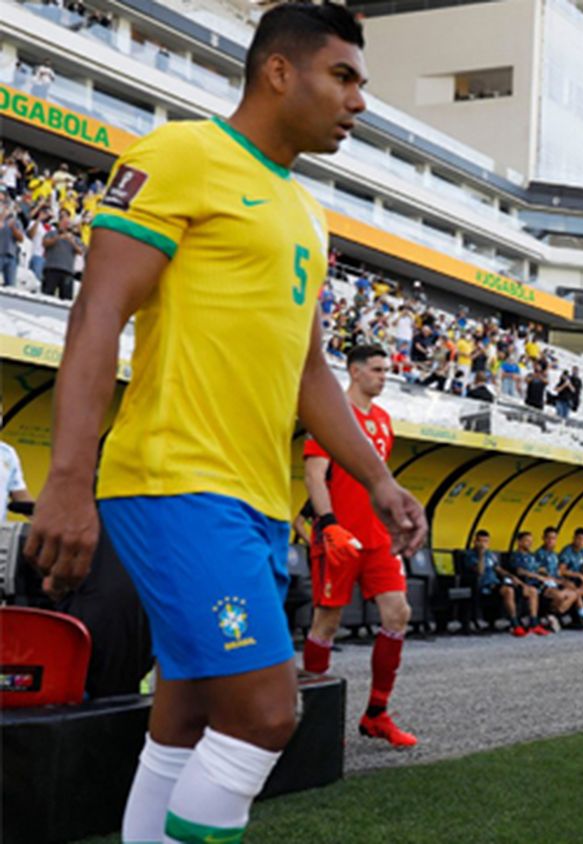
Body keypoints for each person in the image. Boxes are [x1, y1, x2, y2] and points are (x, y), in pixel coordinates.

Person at [24, 7, 427, 842]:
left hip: (249, 502)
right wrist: (68, 481)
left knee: (183, 722)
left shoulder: (305, 215)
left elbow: (309, 373)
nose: (359, 101)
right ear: (279, 72)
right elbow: (96, 315)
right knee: (267, 713)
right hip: (175, 482)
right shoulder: (179, 155)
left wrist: (379, 479)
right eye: (343, 77)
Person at [299, 345, 418, 747]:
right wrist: (329, 524)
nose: (384, 376)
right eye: (377, 369)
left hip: (378, 538)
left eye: (387, 370)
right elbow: (315, 475)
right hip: (340, 536)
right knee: (326, 623)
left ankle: (376, 713)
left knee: (398, 613)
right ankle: (313, 719)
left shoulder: (384, 421)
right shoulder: (332, 414)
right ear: (353, 371)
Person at [508, 531, 568, 632]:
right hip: (526, 583)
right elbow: (520, 571)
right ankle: (536, 621)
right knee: (553, 594)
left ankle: (547, 616)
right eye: (527, 541)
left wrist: (543, 572)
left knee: (565, 592)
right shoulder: (516, 555)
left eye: (531, 541)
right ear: (519, 542)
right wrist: (538, 576)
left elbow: (538, 568)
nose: (530, 543)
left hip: (540, 583)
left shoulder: (531, 556)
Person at [537, 526, 583, 625]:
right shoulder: (539, 554)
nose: (551, 541)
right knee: (569, 592)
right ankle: (554, 616)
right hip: (544, 585)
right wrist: (567, 579)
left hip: (558, 582)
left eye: (554, 538)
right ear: (543, 538)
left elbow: (558, 573)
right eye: (549, 538)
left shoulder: (554, 555)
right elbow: (546, 572)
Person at [41, 212, 86, 300]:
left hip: (67, 271)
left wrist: (71, 241)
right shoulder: (52, 233)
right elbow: (45, 243)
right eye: (64, 223)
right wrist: (59, 237)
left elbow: (80, 251)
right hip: (52, 269)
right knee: (46, 295)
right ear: (60, 223)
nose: (66, 225)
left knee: (66, 299)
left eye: (67, 224)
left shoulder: (75, 238)